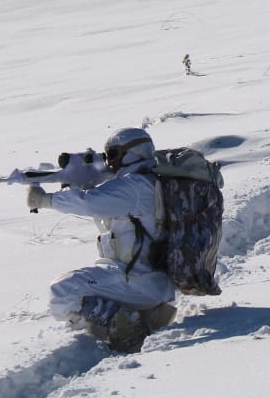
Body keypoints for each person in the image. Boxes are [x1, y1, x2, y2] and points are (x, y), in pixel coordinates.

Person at [26, 127, 177, 350]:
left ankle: (125, 328)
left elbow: (89, 203)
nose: (110, 162)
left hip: (136, 281)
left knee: (62, 290)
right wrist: (76, 183)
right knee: (80, 288)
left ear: (132, 153)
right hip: (148, 281)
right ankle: (145, 316)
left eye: (113, 155)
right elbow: (101, 208)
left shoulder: (134, 186)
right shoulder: (148, 182)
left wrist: (45, 200)